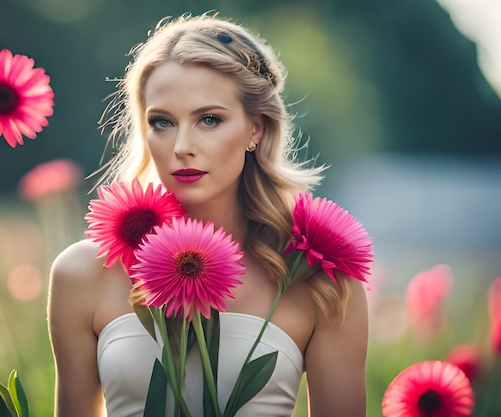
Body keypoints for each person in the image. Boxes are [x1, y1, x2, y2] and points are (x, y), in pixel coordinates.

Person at [47, 12, 368, 417]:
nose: (182, 145)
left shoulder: (322, 281)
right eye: (162, 122)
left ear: (257, 128)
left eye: (209, 119)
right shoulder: (82, 274)